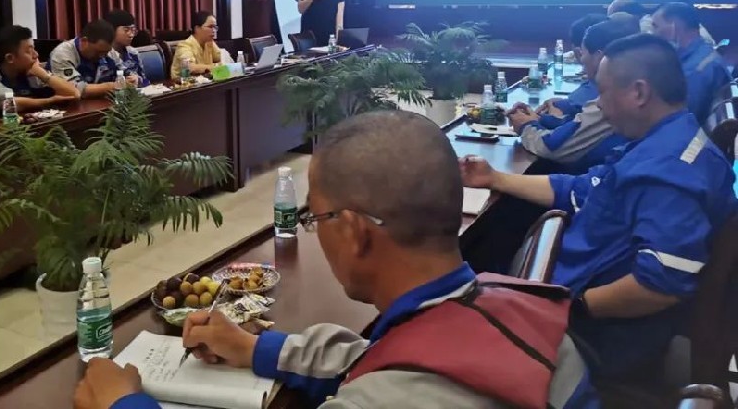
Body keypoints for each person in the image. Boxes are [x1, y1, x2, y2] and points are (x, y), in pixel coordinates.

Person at [75, 111, 599, 409]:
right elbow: (385, 356)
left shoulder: (389, 400)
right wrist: (256, 347)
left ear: (352, 231)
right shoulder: (506, 305)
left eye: (316, 217)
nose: (315, 230)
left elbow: (397, 380)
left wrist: (123, 405)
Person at [460, 34, 737, 383]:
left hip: (598, 337)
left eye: (602, 92)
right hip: (566, 292)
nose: (600, 105)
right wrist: (495, 179)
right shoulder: (662, 141)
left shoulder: (669, 173)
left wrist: (566, 309)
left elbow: (659, 286)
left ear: (639, 93)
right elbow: (581, 189)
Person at [509, 21, 633, 172]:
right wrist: (541, 120)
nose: (581, 59)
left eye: (582, 53)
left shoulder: (615, 100)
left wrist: (525, 126)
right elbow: (579, 128)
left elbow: (553, 147)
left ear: (599, 57)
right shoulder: (630, 92)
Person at [0, 25, 80, 112]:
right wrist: (49, 101)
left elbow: (74, 94)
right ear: (10, 58)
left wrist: (43, 74)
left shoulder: (30, 69)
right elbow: (7, 105)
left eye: (34, 49)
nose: (36, 55)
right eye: (29, 51)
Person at [650, 2, 730, 123]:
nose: (652, 33)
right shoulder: (702, 55)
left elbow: (681, 119)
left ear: (673, 28)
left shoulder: (696, 70)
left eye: (655, 26)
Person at [534, 13, 608, 128]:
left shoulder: (601, 88)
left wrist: (531, 122)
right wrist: (562, 104)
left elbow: (560, 136)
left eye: (583, 53)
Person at [50, 19, 130, 97]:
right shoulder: (62, 54)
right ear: (84, 41)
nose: (102, 56)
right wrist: (112, 86)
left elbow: (126, 73)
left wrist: (132, 79)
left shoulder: (108, 51)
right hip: (63, 104)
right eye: (99, 52)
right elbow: (74, 90)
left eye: (106, 52)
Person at [170, 11, 223, 80]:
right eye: (210, 27)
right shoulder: (184, 46)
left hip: (205, 82)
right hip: (183, 84)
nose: (214, 31)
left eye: (215, 27)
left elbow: (222, 59)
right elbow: (190, 67)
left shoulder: (209, 43)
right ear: (197, 28)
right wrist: (215, 67)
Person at [104, 9, 148, 86]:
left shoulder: (133, 53)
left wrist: (138, 80)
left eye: (133, 30)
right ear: (112, 30)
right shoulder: (103, 55)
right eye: (126, 30)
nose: (131, 35)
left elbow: (146, 81)